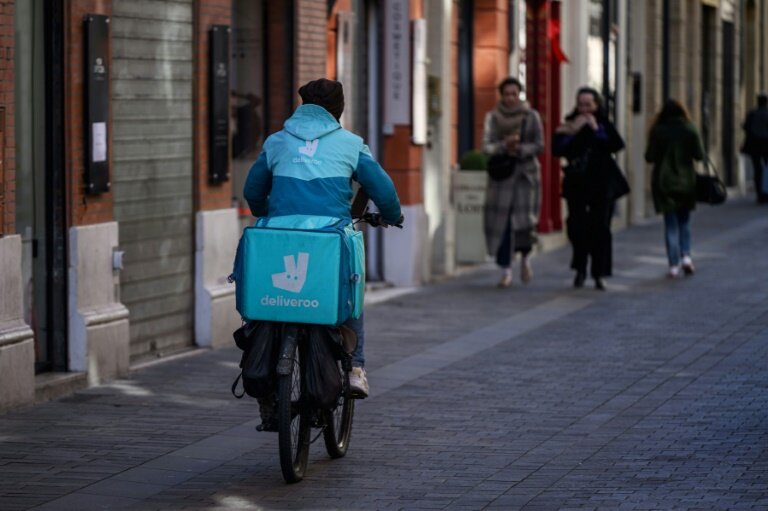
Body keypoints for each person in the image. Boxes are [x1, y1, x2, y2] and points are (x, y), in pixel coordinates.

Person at [243, 78, 403, 399]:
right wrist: (391, 215)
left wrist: (266, 212)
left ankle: (261, 354)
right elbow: (383, 190)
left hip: (280, 235)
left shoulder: (277, 141)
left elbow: (253, 192)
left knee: (269, 290)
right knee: (351, 288)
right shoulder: (350, 143)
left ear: (303, 106)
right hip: (331, 236)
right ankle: (355, 368)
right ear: (339, 109)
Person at [553, 87, 626, 291]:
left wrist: (597, 130)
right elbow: (557, 149)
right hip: (577, 183)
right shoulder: (569, 123)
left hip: (601, 184)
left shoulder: (603, 123)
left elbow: (616, 145)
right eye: (581, 104)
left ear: (596, 105)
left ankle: (599, 273)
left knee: (601, 228)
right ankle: (580, 268)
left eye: (588, 105)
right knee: (576, 226)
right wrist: (573, 132)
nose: (584, 109)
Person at [482, 77, 544, 288]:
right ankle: (505, 270)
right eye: (506, 94)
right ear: (501, 95)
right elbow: (486, 146)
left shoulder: (531, 116)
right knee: (502, 224)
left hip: (525, 177)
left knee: (525, 222)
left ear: (520, 94)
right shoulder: (492, 117)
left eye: (514, 94)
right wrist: (504, 145)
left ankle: (526, 260)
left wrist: (520, 149)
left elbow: (539, 145)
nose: (510, 98)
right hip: (501, 178)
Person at [645, 99, 705, 278]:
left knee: (670, 224)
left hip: (664, 182)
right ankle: (686, 256)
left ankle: (673, 265)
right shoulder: (690, 128)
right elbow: (699, 155)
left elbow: (650, 157)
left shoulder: (658, 131)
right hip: (685, 181)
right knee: (684, 221)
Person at [741, 92, 768, 203]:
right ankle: (766, 191)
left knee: (757, 169)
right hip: (766, 144)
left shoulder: (752, 114)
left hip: (755, 145)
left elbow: (745, 126)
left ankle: (759, 194)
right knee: (766, 169)